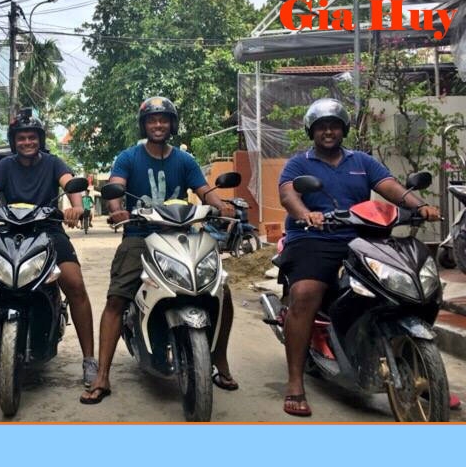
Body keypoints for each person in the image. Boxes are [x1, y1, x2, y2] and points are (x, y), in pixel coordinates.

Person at [277, 98, 441, 417]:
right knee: (306, 293)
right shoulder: (299, 164)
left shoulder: (362, 161)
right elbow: (288, 194)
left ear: (344, 130)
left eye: (334, 126)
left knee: (408, 286)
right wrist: (306, 214)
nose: (328, 132)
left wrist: (419, 206)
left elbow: (390, 187)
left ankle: (426, 371)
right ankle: (295, 382)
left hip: (361, 238)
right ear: (311, 131)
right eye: (322, 127)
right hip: (314, 238)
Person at [81, 97, 238, 405]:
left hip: (183, 235)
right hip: (139, 235)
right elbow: (115, 189)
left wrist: (222, 206)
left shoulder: (185, 160)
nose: (158, 125)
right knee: (116, 298)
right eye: (152, 120)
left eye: (163, 119)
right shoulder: (128, 157)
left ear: (171, 124)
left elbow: (204, 191)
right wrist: (116, 209)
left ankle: (220, 361)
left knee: (222, 292)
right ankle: (102, 376)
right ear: (144, 125)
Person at [0, 109, 97, 386]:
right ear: (14, 141)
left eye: (32, 137)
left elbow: (70, 185)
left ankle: (89, 360)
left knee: (74, 284)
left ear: (40, 139)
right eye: (22, 138)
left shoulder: (53, 163)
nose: (27, 142)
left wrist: (76, 207)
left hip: (48, 230)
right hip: (10, 229)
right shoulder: (5, 165)